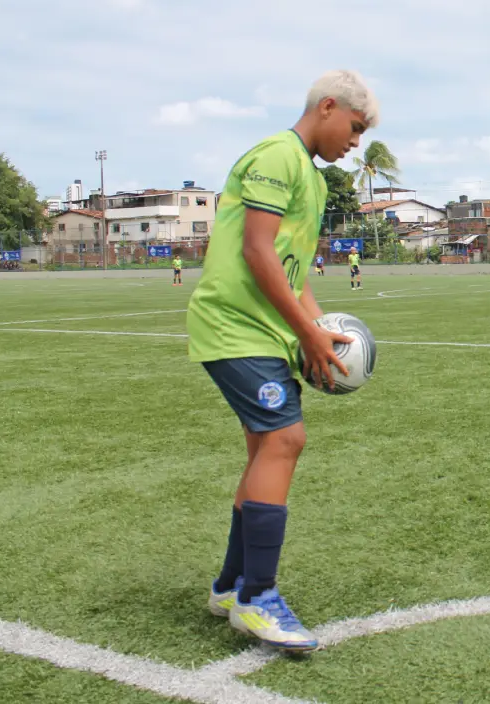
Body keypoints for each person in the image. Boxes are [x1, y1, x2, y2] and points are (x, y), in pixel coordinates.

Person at [187, 69, 378, 652]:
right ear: (327, 107)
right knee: (285, 441)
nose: (355, 141)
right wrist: (305, 335)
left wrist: (315, 334)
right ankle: (258, 597)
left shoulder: (314, 181)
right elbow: (256, 250)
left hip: (267, 333)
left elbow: (294, 275)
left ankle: (230, 586)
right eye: (354, 127)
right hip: (235, 326)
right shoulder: (277, 156)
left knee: (263, 451)